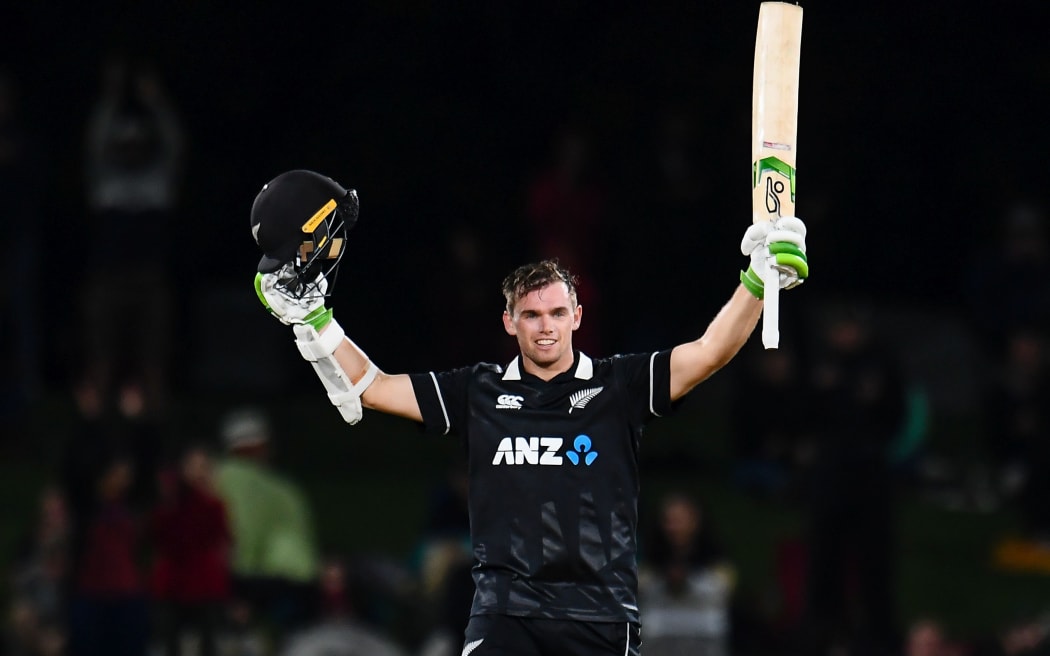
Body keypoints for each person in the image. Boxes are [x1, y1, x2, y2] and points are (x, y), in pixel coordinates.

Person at [248, 169, 809, 655]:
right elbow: (373, 387)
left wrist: (757, 281)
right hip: (505, 614)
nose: (546, 326)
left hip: (601, 614)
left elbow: (710, 352)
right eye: (532, 314)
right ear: (509, 322)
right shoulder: (478, 391)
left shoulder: (619, 385)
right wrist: (316, 321)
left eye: (557, 312)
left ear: (577, 317)